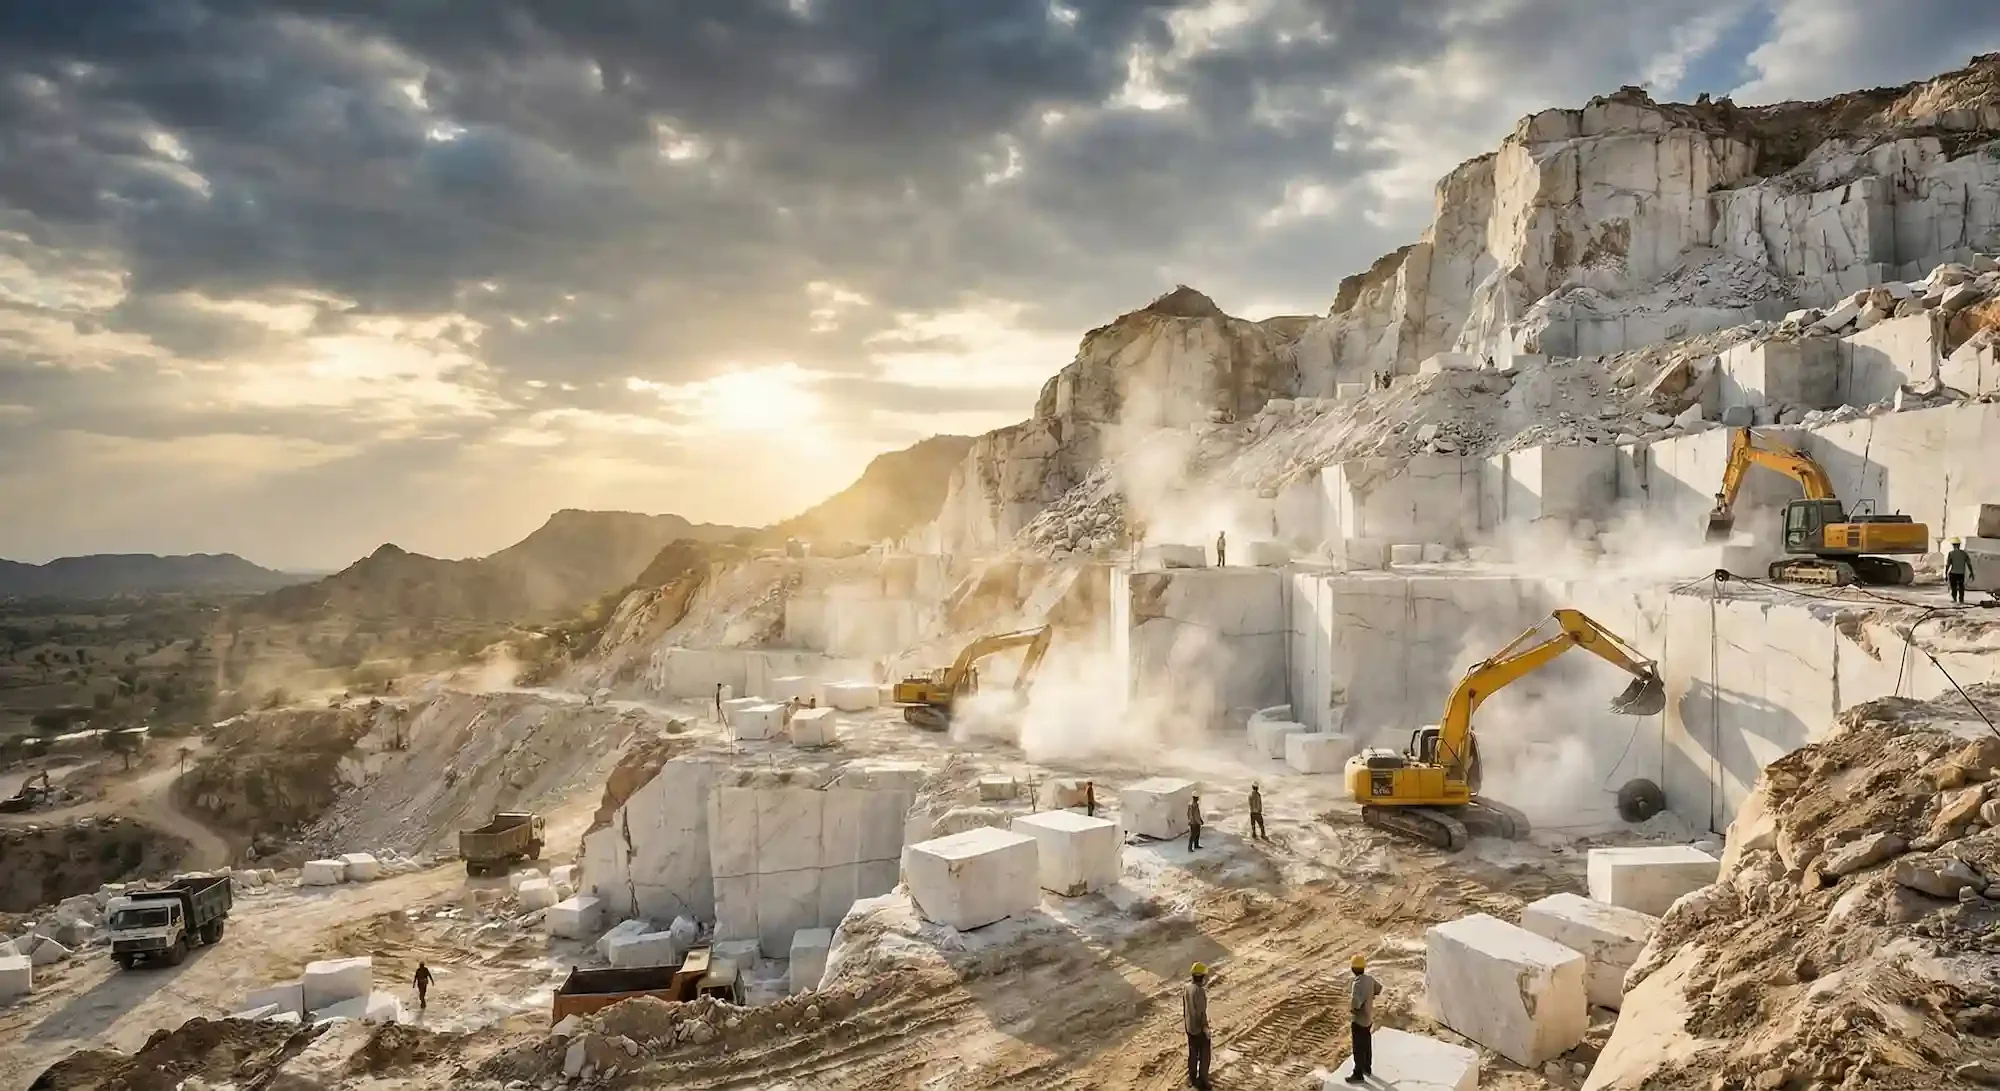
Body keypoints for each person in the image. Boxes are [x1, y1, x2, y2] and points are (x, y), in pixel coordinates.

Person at [1345, 954, 1379, 1083]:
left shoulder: (1357, 984)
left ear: (1353, 969)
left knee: (1358, 1047)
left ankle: (1358, 1073)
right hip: (1369, 1018)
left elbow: (1355, 1005)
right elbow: (1378, 989)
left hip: (1359, 1020)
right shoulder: (1370, 979)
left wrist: (1352, 1010)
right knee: (1366, 1043)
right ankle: (1367, 1067)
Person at [1183, 962, 1212, 1089]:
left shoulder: (1187, 988)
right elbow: (1201, 1012)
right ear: (1202, 977)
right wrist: (1205, 1028)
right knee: (1205, 1054)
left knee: (1192, 1053)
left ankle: (1192, 1078)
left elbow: (1185, 1009)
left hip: (1189, 1027)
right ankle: (1203, 1081)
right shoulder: (1199, 991)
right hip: (1198, 1028)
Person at [1947, 538, 1975, 605]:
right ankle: (1961, 600)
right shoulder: (1964, 554)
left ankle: (1954, 600)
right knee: (1961, 587)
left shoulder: (1951, 553)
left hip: (1953, 573)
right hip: (1961, 573)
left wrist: (1945, 573)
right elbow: (1969, 563)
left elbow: (1948, 564)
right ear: (1959, 545)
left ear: (1953, 545)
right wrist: (1972, 572)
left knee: (1953, 587)